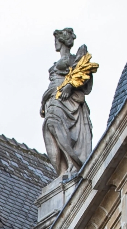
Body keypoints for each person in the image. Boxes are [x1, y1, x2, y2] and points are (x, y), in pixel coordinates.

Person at [40, 28, 94, 178]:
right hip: (52, 97)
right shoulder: (60, 61)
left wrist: (69, 86)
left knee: (54, 124)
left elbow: (83, 74)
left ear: (61, 40)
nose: (55, 44)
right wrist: (43, 102)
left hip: (64, 99)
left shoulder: (72, 59)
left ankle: (73, 163)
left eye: (56, 40)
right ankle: (64, 167)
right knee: (50, 128)